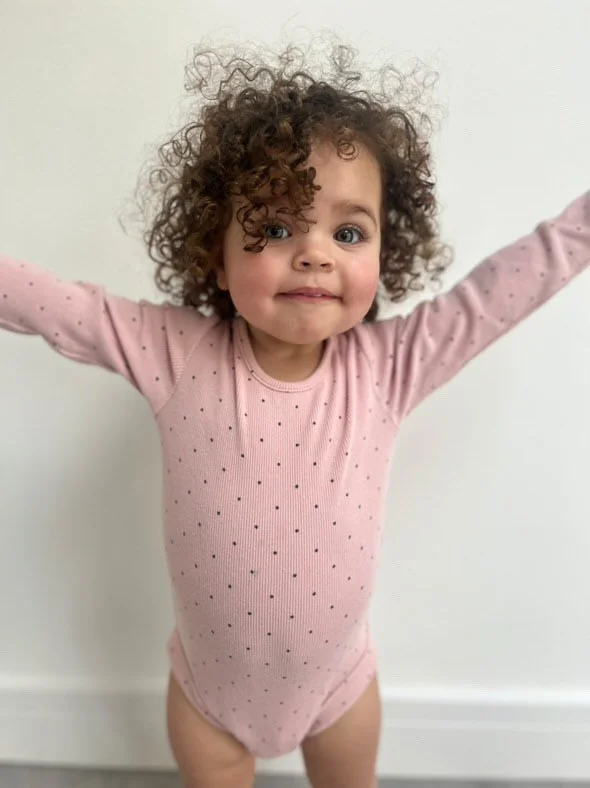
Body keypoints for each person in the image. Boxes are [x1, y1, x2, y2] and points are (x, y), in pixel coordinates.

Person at [1, 38, 588, 788]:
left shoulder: (390, 368)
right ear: (215, 254)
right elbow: (55, 307)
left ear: (384, 252)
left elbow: (505, 286)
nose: (314, 253)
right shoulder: (173, 353)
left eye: (348, 233)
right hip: (209, 701)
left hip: (341, 693)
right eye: (277, 229)